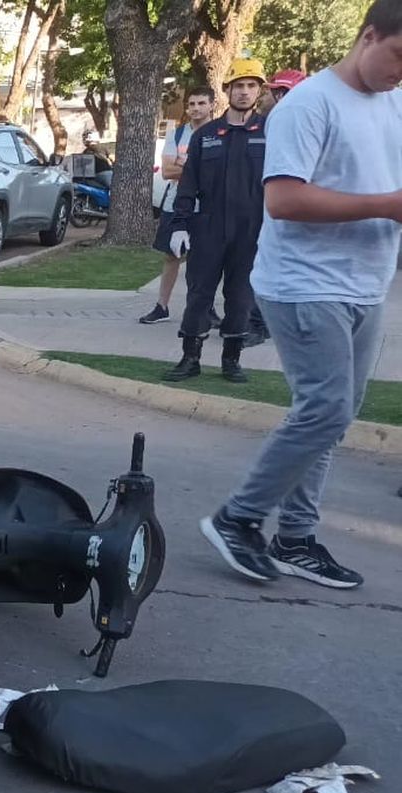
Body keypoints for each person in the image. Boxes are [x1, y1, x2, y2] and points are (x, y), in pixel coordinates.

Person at [200, 1, 402, 590]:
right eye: (398, 57)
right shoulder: (309, 104)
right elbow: (284, 200)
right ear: (369, 35)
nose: (400, 73)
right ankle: (237, 519)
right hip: (304, 284)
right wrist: (388, 206)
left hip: (366, 285)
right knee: (327, 409)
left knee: (330, 419)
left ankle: (295, 538)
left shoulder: (393, 101)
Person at [161, 59, 269, 384]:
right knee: (199, 294)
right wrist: (180, 224)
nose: (245, 92)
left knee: (240, 296)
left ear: (259, 91)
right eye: (239, 86)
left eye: (251, 86)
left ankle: (231, 360)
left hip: (251, 229)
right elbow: (189, 183)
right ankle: (189, 358)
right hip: (208, 228)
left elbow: (280, 183)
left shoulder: (270, 132)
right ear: (227, 91)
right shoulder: (206, 135)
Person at [140, 87, 216, 325]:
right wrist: (198, 169)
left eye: (201, 103)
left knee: (204, 260)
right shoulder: (177, 134)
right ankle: (162, 307)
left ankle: (206, 308)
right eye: (192, 104)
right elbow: (167, 170)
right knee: (171, 256)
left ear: (211, 105)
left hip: (208, 207)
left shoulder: (220, 133)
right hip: (176, 204)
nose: (196, 108)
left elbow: (219, 173)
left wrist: (185, 167)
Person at [245, 69, 308, 347]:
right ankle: (258, 322)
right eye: (275, 92)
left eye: (278, 92)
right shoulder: (262, 125)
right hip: (259, 206)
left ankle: (263, 324)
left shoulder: (302, 126)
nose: (272, 97)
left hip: (286, 212)